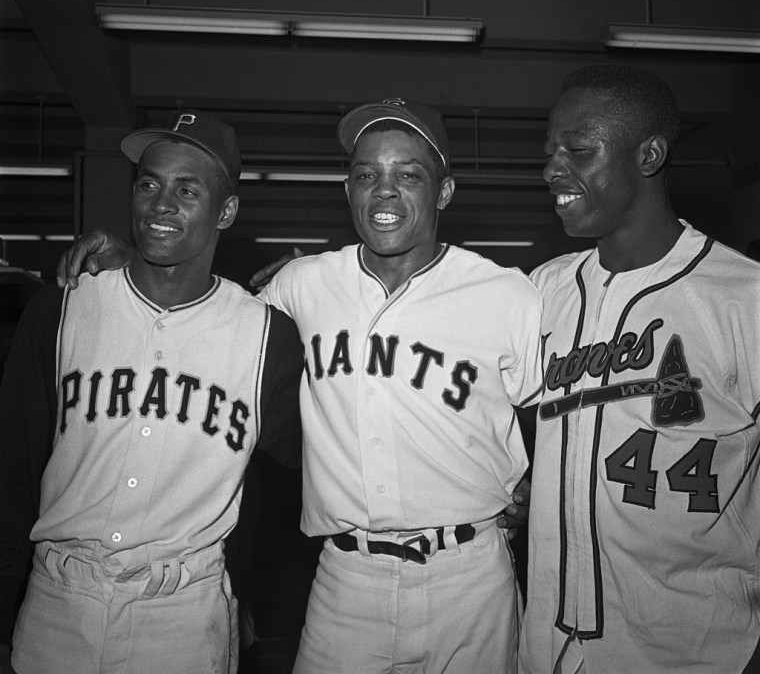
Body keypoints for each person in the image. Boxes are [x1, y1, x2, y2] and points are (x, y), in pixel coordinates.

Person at [51, 98, 544, 673]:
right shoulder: (302, 285)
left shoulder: (507, 295)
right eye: (366, 175)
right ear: (348, 189)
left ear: (444, 191)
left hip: (471, 576)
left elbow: (545, 417)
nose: (383, 191)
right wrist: (137, 258)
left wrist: (532, 485)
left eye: (407, 175)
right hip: (345, 578)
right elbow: (207, 322)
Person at [0, 110, 303, 674]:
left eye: (188, 190)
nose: (162, 203)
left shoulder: (267, 335)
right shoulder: (62, 309)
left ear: (226, 210)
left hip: (183, 615)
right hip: (56, 605)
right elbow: (12, 467)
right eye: (149, 183)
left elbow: (312, 467)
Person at [519, 65, 760, 674]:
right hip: (547, 645)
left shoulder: (744, 298)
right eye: (550, 152)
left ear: (649, 154)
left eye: (578, 149)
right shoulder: (541, 291)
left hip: (696, 651)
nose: (553, 168)